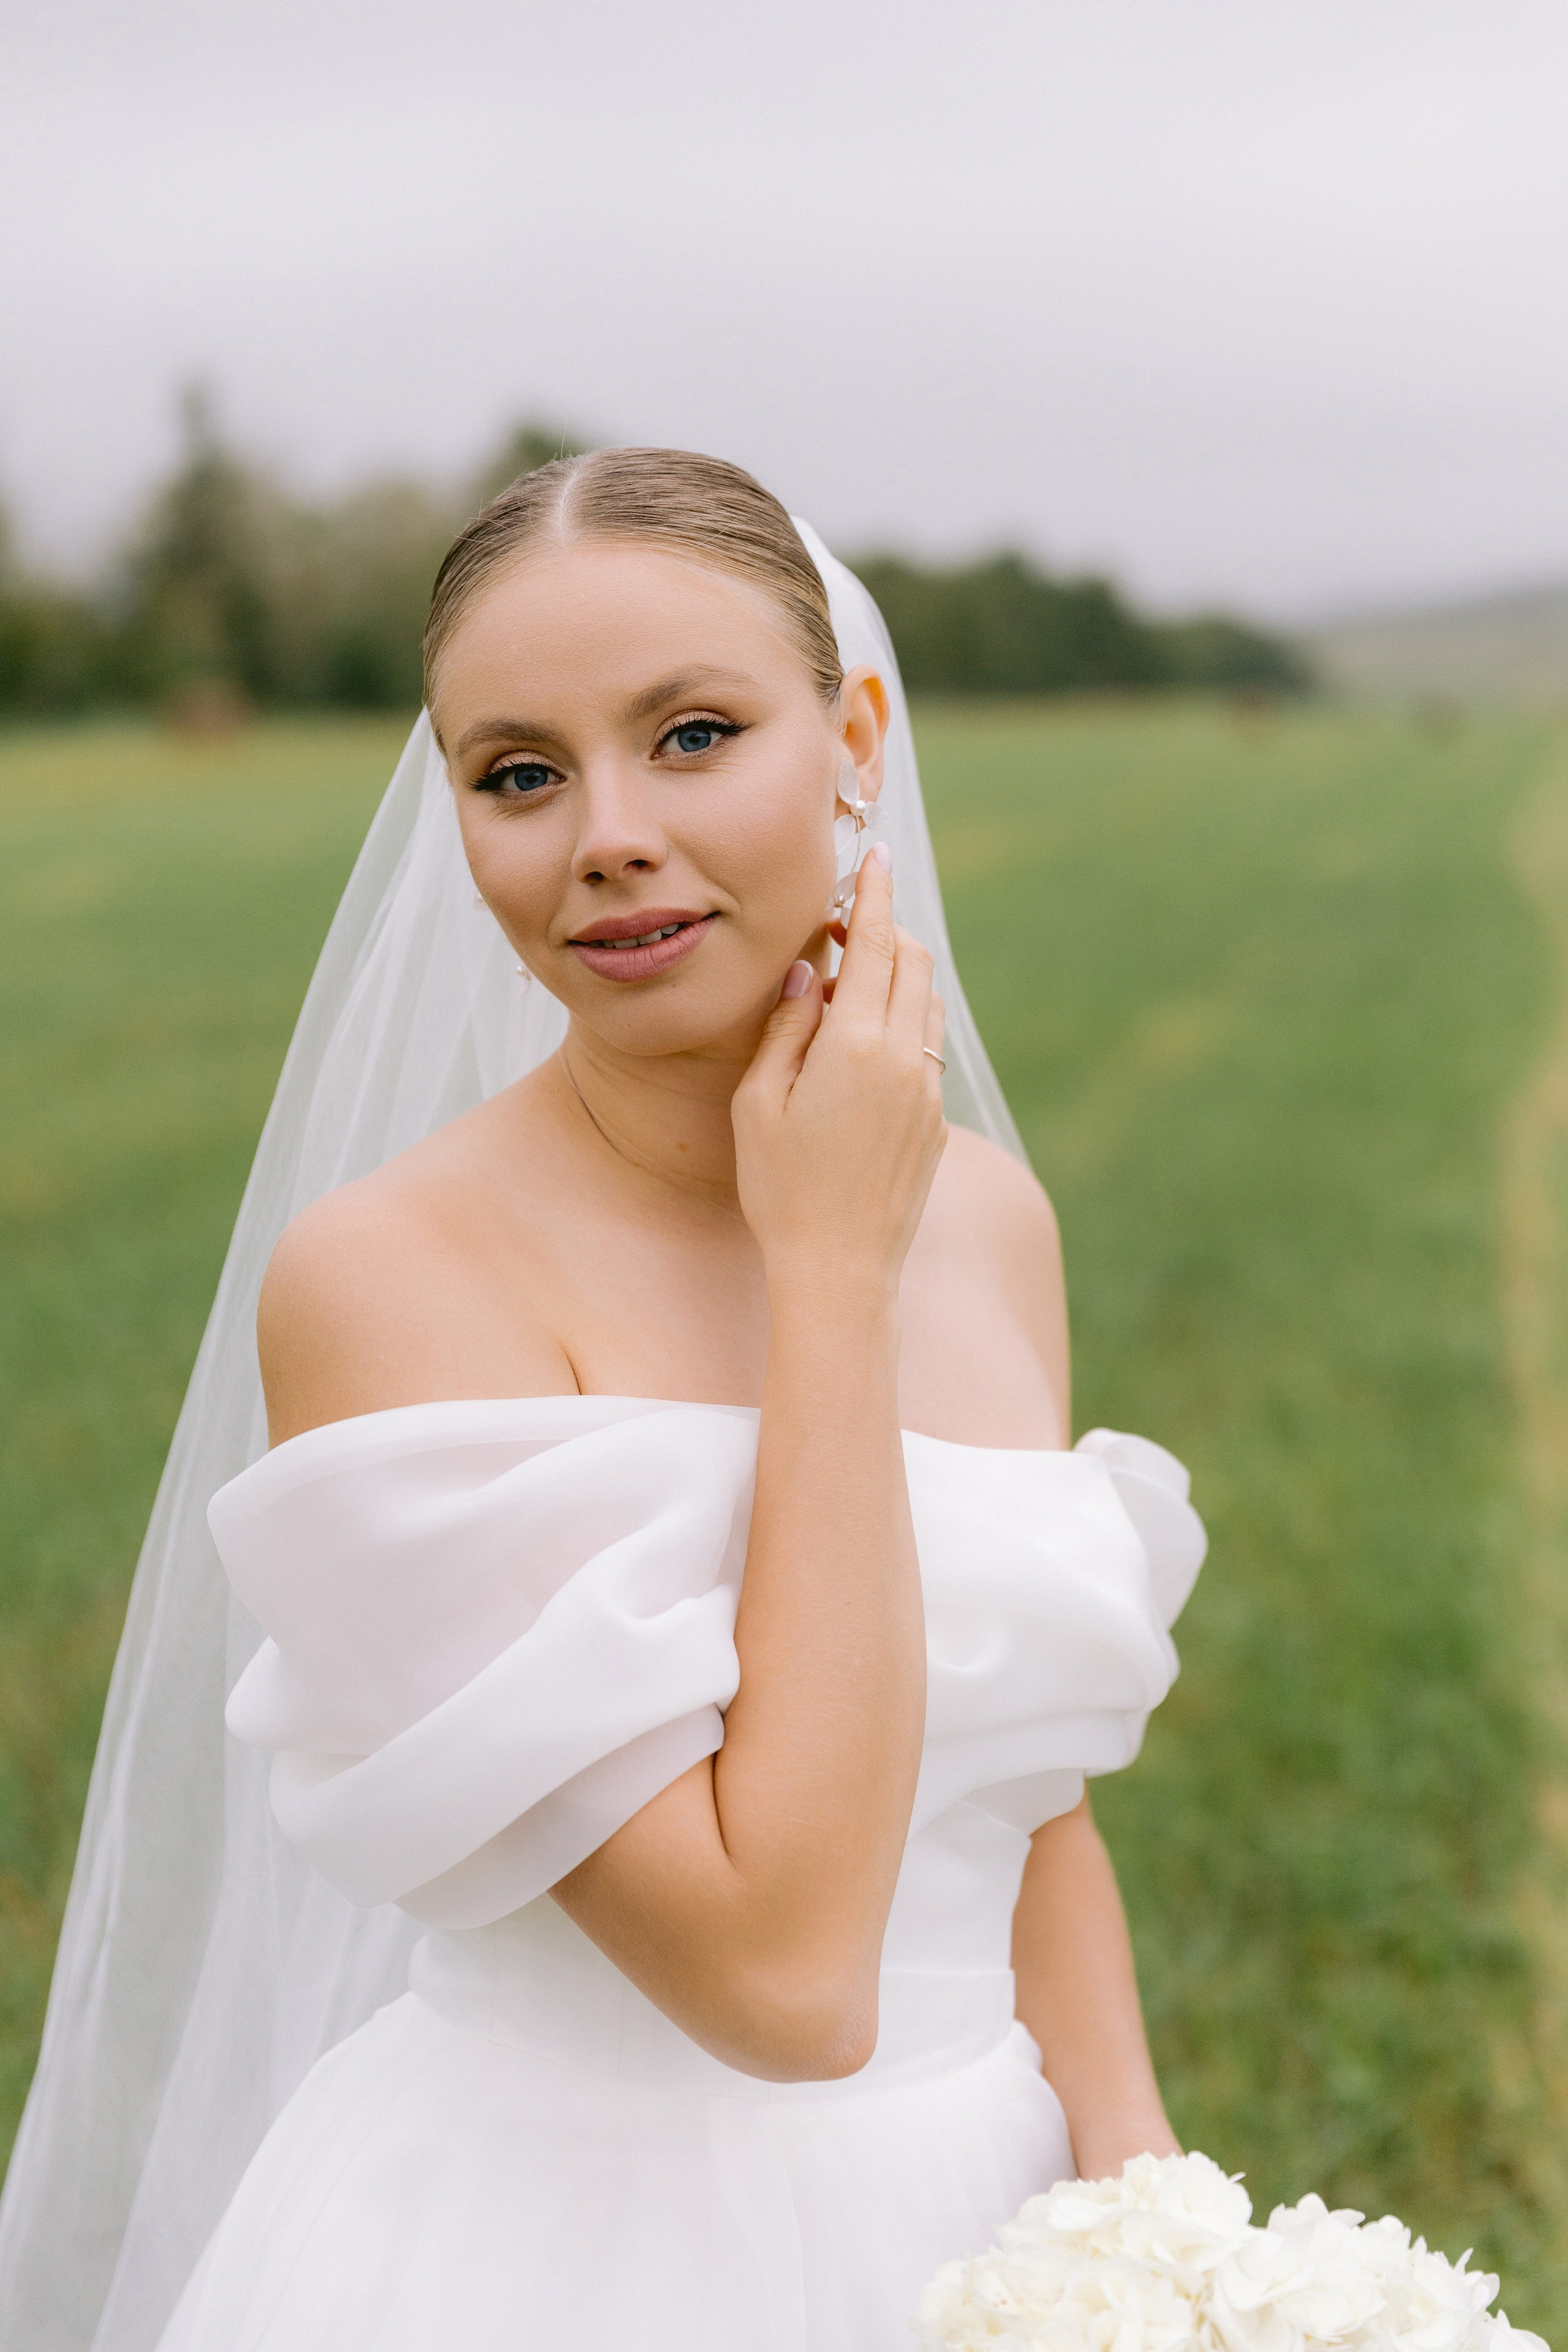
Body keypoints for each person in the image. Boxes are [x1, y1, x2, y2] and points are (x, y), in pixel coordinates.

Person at [0, 450, 1205, 2352]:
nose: (608, 838)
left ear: (853, 740)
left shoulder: (987, 1220)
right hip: (570, 2256)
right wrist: (828, 1278)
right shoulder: (395, 1281)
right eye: (519, 775)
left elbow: (1028, 1797)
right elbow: (782, 1983)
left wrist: (1150, 2224)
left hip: (989, 2202)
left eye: (694, 735)